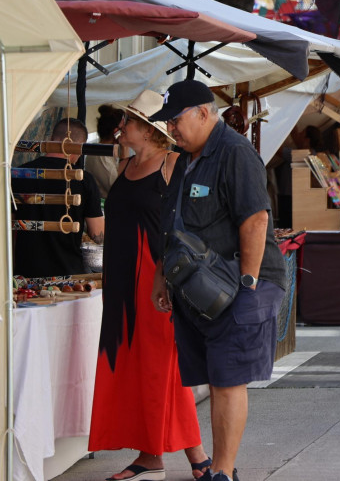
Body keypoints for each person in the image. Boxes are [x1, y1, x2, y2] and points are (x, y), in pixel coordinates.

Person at [150, 80, 288, 481]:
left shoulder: (235, 152)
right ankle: (221, 468)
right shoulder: (186, 157)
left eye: (174, 120)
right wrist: (162, 276)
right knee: (214, 377)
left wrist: (247, 283)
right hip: (197, 289)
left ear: (204, 113)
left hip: (237, 285)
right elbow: (172, 226)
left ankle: (222, 473)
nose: (171, 129)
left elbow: (256, 219)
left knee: (228, 380)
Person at [89, 91, 210, 481]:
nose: (121, 128)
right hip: (122, 278)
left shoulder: (172, 163)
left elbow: (194, 217)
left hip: (156, 277)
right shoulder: (124, 164)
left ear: (149, 130)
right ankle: (152, 454)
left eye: (129, 122)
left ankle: (195, 456)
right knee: (135, 363)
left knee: (162, 364)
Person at [12, 118, 104, 277]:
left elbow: (9, 225)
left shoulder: (19, 174)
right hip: (68, 274)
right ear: (77, 147)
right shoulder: (83, 179)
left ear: (51, 139)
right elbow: (97, 234)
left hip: (25, 271)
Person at [86, 104, 125, 200]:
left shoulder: (108, 152)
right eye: (123, 129)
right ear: (116, 132)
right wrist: (125, 151)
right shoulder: (100, 155)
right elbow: (121, 190)